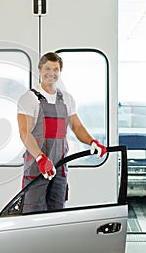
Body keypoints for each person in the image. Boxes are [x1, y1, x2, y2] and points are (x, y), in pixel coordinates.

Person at [17, 52, 106, 213]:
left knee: (57, 211)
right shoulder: (29, 98)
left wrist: (93, 141)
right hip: (37, 166)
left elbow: (77, 127)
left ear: (60, 72)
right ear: (40, 70)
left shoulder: (66, 99)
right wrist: (40, 157)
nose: (51, 73)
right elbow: (24, 132)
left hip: (59, 166)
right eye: (47, 68)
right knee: (33, 212)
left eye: (55, 69)